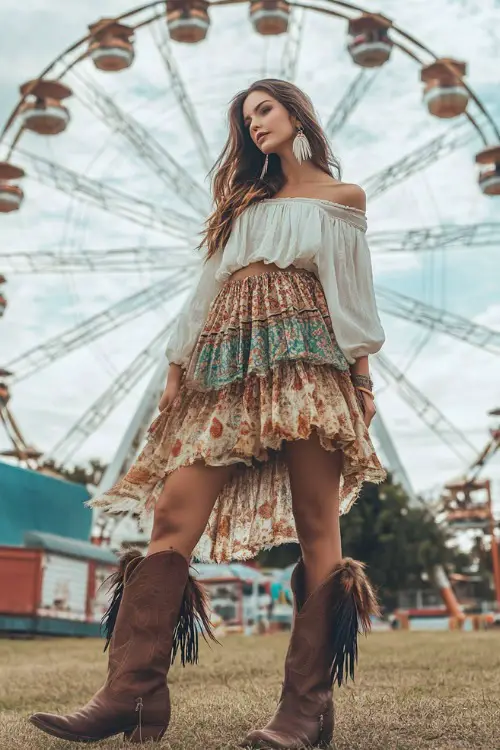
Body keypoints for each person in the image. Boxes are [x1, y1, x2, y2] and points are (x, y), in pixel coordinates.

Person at [29, 78, 386, 747]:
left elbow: (351, 290)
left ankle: (305, 710)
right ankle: (130, 694)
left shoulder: (342, 200)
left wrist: (362, 381)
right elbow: (206, 286)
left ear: (295, 112)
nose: (254, 124)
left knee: (317, 526)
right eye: (245, 117)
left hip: (305, 355)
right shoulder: (242, 200)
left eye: (264, 109)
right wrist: (175, 368)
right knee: (171, 512)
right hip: (223, 361)